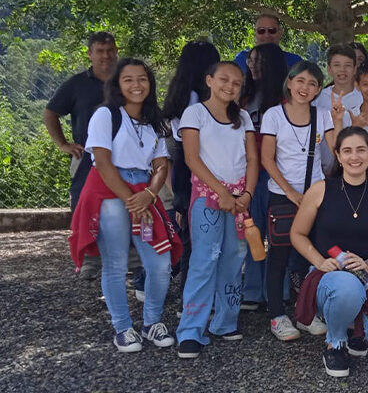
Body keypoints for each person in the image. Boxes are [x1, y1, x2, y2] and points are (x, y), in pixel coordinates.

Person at [69, 58, 180, 352]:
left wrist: (150, 195)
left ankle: (152, 322)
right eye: (128, 79)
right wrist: (131, 200)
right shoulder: (105, 115)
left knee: (160, 262)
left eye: (142, 79)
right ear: (117, 84)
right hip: (110, 191)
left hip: (143, 190)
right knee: (116, 263)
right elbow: (102, 162)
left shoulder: (154, 119)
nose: (136, 85)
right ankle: (123, 327)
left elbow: (160, 165)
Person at [291, 127, 368, 378]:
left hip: (366, 272)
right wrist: (320, 261)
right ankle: (335, 341)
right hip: (328, 276)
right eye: (348, 151)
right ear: (338, 156)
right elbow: (297, 234)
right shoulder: (321, 190)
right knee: (346, 288)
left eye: (361, 150)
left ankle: (357, 329)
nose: (355, 157)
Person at [175, 61, 258, 359]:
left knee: (234, 260)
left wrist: (246, 193)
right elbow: (191, 158)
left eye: (237, 83)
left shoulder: (244, 118)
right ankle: (190, 330)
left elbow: (252, 159)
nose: (230, 86)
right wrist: (222, 191)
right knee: (204, 260)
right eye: (224, 79)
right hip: (208, 199)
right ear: (209, 80)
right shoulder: (195, 114)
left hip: (238, 201)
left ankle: (225, 322)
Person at [260, 61, 334, 341]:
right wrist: (290, 192)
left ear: (318, 90)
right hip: (282, 194)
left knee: (309, 256)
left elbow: (337, 149)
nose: (305, 88)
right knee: (278, 255)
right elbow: (267, 158)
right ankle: (277, 315)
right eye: (300, 81)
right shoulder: (274, 115)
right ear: (289, 82)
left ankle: (305, 313)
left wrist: (338, 122)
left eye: (313, 83)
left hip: (315, 196)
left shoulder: (323, 115)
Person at [44, 31, 118, 280]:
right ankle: (89, 259)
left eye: (110, 50)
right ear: (90, 53)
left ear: (116, 51)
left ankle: (129, 259)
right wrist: (63, 143)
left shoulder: (127, 80)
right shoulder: (77, 84)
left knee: (126, 202)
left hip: (124, 157)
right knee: (83, 206)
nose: (106, 56)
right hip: (87, 158)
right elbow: (50, 112)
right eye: (100, 51)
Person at [160, 40, 220, 303]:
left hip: (183, 179)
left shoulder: (180, 94)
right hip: (197, 178)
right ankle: (191, 301)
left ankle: (191, 300)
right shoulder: (197, 101)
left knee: (191, 243)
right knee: (196, 247)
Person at [239, 43, 289, 312]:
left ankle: (277, 291)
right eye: (251, 60)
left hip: (276, 174)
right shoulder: (243, 98)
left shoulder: (283, 102)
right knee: (252, 230)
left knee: (277, 233)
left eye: (260, 61)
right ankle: (252, 290)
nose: (253, 66)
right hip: (248, 175)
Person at [315, 43, 363, 173]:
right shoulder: (317, 99)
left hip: (355, 169)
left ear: (354, 69)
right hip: (323, 171)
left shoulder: (363, 99)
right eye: (337, 65)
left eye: (347, 65)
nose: (342, 70)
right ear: (329, 69)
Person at [233, 14, 303, 73]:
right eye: (261, 31)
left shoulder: (295, 62)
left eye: (272, 30)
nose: (266, 35)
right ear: (255, 34)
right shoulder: (241, 60)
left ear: (280, 33)